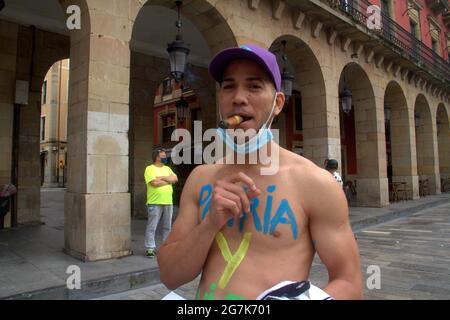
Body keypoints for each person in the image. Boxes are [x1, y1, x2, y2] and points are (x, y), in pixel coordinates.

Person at [157, 44, 362, 299]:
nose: (239, 98)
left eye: (254, 86)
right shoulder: (201, 178)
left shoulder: (315, 183)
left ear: (277, 103)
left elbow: (349, 281)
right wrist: (209, 225)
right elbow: (169, 275)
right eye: (229, 86)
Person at [144, 149, 178, 258]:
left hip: (168, 201)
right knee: (152, 226)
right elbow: (154, 183)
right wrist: (168, 180)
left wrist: (162, 178)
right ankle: (150, 248)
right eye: (163, 155)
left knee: (167, 226)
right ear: (157, 157)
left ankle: (165, 247)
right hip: (154, 202)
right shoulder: (149, 169)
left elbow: (175, 179)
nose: (165, 157)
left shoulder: (167, 168)